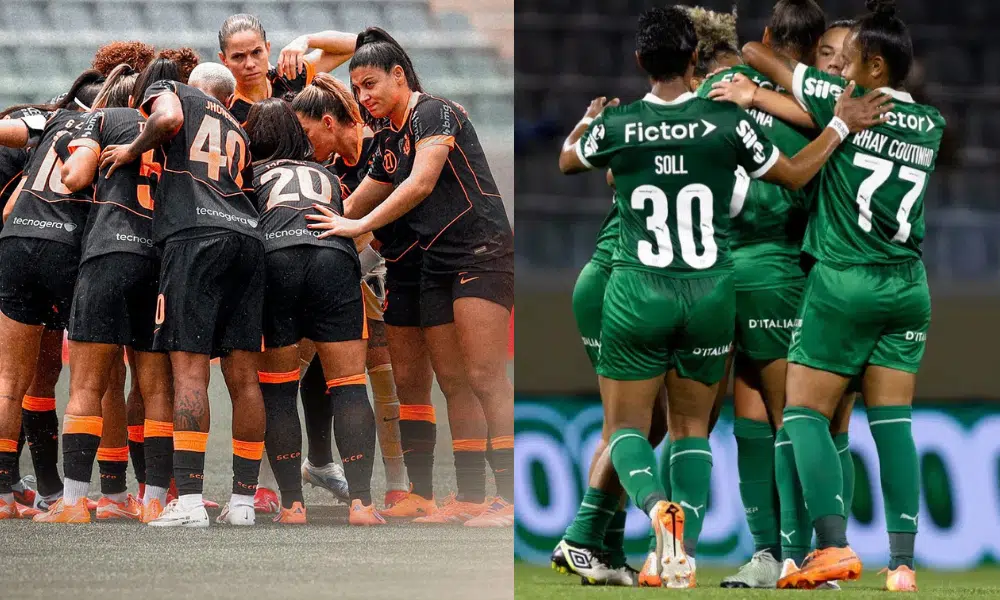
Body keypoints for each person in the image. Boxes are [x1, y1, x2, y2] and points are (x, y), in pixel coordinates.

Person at [557, 5, 889, 588]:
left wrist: (590, 125)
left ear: (641, 61)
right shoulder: (733, 116)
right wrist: (837, 124)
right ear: (693, 59)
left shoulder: (629, 122)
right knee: (722, 425)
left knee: (632, 429)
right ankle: (739, 549)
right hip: (718, 286)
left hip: (640, 285)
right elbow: (791, 174)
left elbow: (577, 163)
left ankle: (650, 522)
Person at [740, 0, 943, 591]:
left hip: (843, 280)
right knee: (893, 425)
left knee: (802, 413)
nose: (840, 68)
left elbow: (760, 55)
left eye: (852, 59)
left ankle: (831, 547)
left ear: (876, 67)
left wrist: (765, 94)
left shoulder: (842, 105)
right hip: (908, 285)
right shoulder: (931, 124)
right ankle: (902, 564)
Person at [307, 27, 516, 527]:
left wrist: (356, 225)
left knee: (486, 377)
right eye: (356, 88)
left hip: (480, 253)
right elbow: (359, 199)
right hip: (435, 262)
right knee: (452, 383)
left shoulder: (434, 112)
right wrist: (310, 236)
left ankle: (510, 500)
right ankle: (467, 497)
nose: (364, 96)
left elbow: (420, 183)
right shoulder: (387, 139)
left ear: (399, 75)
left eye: (371, 83)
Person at [688, 0, 829, 588]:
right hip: (778, 269)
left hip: (720, 268)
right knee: (786, 415)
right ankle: (793, 554)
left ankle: (773, 553)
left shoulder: (710, 95)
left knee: (750, 414)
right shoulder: (818, 108)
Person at [99, 69, 264, 528]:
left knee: (188, 372)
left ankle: (189, 502)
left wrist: (133, 148)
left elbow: (167, 119)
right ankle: (244, 503)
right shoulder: (237, 128)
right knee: (245, 378)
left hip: (195, 237)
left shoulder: (173, 91)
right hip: (247, 239)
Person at [246, 97, 386, 525]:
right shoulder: (327, 174)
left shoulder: (250, 175)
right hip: (333, 260)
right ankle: (361, 503)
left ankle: (292, 505)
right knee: (348, 387)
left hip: (277, 260)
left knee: (279, 389)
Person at [0, 69, 109, 519]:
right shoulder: (80, 130)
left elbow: (10, 209)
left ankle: (16, 487)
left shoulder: (47, 122)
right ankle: (59, 490)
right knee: (70, 379)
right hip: (51, 245)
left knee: (20, 377)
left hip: (15, 241)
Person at [216, 13, 355, 124]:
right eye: (238, 57)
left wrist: (306, 40)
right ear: (224, 60)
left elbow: (355, 44)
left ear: (267, 48)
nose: (250, 64)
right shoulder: (230, 115)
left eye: (256, 52)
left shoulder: (290, 76)